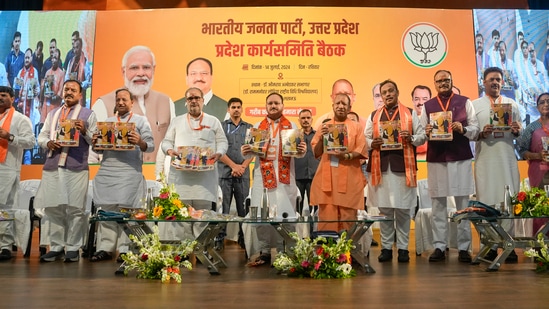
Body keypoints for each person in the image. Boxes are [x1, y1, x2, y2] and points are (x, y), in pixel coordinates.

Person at [420, 70, 480, 263]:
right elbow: (421, 134)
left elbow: (475, 129)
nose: (443, 83)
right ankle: (439, 246)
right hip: (437, 159)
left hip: (460, 158)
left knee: (463, 205)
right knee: (438, 205)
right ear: (434, 84)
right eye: (439, 81)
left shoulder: (465, 101)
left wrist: (462, 129)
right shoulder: (427, 106)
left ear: (452, 81)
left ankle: (464, 248)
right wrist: (427, 131)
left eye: (446, 80)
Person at [35, 80, 97, 263]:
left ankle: (72, 247)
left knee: (75, 209)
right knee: (53, 207)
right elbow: (42, 136)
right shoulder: (53, 113)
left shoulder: (88, 114)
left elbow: (96, 140)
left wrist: (84, 130)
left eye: (73, 90)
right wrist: (47, 143)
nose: (69, 92)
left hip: (76, 167)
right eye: (67, 89)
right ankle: (56, 246)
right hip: (53, 166)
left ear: (80, 95)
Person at [89, 88, 154, 262]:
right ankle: (105, 248)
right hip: (108, 171)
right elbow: (97, 149)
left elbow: (151, 145)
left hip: (129, 172)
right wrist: (95, 144)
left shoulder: (140, 121)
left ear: (132, 102)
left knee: (128, 212)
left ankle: (126, 249)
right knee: (108, 211)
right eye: (118, 100)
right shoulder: (107, 122)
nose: (121, 103)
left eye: (125, 100)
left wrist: (139, 141)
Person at [241, 92, 306, 265]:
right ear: (266, 106)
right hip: (262, 178)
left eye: (277, 103)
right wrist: (246, 151)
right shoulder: (257, 126)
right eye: (270, 103)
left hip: (285, 180)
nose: (273, 106)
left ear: (283, 106)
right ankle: (264, 251)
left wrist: (302, 150)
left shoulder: (291, 126)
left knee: (285, 214)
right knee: (262, 215)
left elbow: (298, 154)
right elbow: (252, 152)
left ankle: (285, 250)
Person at [365, 80, 426, 263]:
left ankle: (403, 249)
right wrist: (371, 143)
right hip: (381, 168)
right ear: (381, 96)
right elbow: (365, 137)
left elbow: (422, 136)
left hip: (403, 168)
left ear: (397, 92)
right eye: (384, 92)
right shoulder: (374, 115)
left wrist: (412, 138)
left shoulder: (410, 113)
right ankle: (385, 248)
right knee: (385, 211)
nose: (388, 94)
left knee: (403, 211)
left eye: (391, 91)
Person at [93, 45, 175, 171]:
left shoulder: (166, 102)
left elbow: (172, 143)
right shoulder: (103, 104)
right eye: (134, 68)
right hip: (117, 176)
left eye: (146, 67)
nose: (141, 73)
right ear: (123, 71)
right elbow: (92, 155)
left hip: (159, 179)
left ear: (153, 70)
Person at [473, 67, 522, 262]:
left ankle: (507, 245)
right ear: (483, 82)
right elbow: (470, 132)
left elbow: (519, 130)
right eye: (491, 79)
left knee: (508, 202)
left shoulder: (512, 104)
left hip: (507, 158)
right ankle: (491, 246)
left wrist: (517, 130)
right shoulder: (474, 105)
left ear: (503, 83)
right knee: (487, 201)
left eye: (498, 80)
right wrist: (480, 133)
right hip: (485, 159)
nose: (495, 82)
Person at [162, 87, 227, 230]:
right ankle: (184, 251)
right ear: (186, 102)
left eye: (197, 98)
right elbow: (166, 141)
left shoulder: (213, 121)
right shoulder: (176, 121)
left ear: (203, 101)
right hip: (181, 179)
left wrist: (220, 153)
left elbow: (222, 142)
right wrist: (169, 150)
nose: (193, 101)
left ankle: (200, 250)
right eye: (190, 98)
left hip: (204, 180)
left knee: (202, 217)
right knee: (181, 216)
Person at [310, 92, 367, 233]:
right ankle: (327, 254)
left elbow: (361, 150)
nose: (340, 106)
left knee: (348, 223)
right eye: (338, 103)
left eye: (344, 104)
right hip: (327, 183)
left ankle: (347, 254)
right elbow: (316, 152)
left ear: (349, 108)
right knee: (327, 223)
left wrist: (346, 156)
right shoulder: (325, 126)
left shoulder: (356, 127)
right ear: (333, 106)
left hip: (349, 182)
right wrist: (322, 137)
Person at [0, 86, 35, 261]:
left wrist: (10, 137)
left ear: (12, 98)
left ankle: (5, 247)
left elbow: (30, 142)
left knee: (5, 208)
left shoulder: (21, 119)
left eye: (4, 95)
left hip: (7, 168)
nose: (0, 98)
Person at [517, 93, 549, 235]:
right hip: (539, 172)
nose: (546, 104)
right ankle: (540, 248)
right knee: (539, 206)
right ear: (537, 107)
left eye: (548, 101)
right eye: (542, 102)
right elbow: (523, 150)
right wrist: (538, 155)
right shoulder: (532, 127)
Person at [218, 97, 253, 217]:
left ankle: (243, 235)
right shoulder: (220, 126)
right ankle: (220, 235)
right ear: (228, 109)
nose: (236, 109)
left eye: (238, 107)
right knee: (223, 210)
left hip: (243, 174)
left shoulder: (250, 127)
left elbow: (253, 150)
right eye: (233, 107)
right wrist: (233, 166)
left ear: (242, 109)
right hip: (224, 174)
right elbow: (218, 150)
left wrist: (242, 167)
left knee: (244, 209)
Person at [174, 57, 228, 122]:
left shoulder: (227, 108)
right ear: (187, 79)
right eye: (193, 73)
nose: (199, 78)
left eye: (204, 73)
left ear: (211, 77)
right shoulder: (173, 107)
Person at [294, 108, 319, 215]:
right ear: (299, 120)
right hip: (297, 175)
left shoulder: (319, 135)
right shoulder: (293, 136)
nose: (306, 120)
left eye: (308, 118)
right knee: (296, 208)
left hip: (315, 176)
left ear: (312, 120)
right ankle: (296, 231)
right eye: (303, 118)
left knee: (315, 208)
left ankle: (314, 230)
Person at [64, 38, 91, 107]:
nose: (75, 50)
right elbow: (66, 77)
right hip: (70, 97)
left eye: (77, 47)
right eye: (74, 48)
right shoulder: (70, 62)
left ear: (81, 47)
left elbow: (89, 81)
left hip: (80, 98)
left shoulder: (85, 62)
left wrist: (80, 85)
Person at [40, 48, 64, 124]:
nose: (53, 60)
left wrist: (52, 96)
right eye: (52, 58)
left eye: (55, 58)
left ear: (59, 60)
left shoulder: (61, 73)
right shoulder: (47, 72)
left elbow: (60, 94)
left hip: (55, 107)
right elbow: (43, 89)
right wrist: (44, 86)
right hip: (46, 105)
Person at [411, 85, 431, 158]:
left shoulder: (436, 119)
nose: (421, 102)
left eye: (424, 99)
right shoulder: (407, 120)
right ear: (412, 100)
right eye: (417, 99)